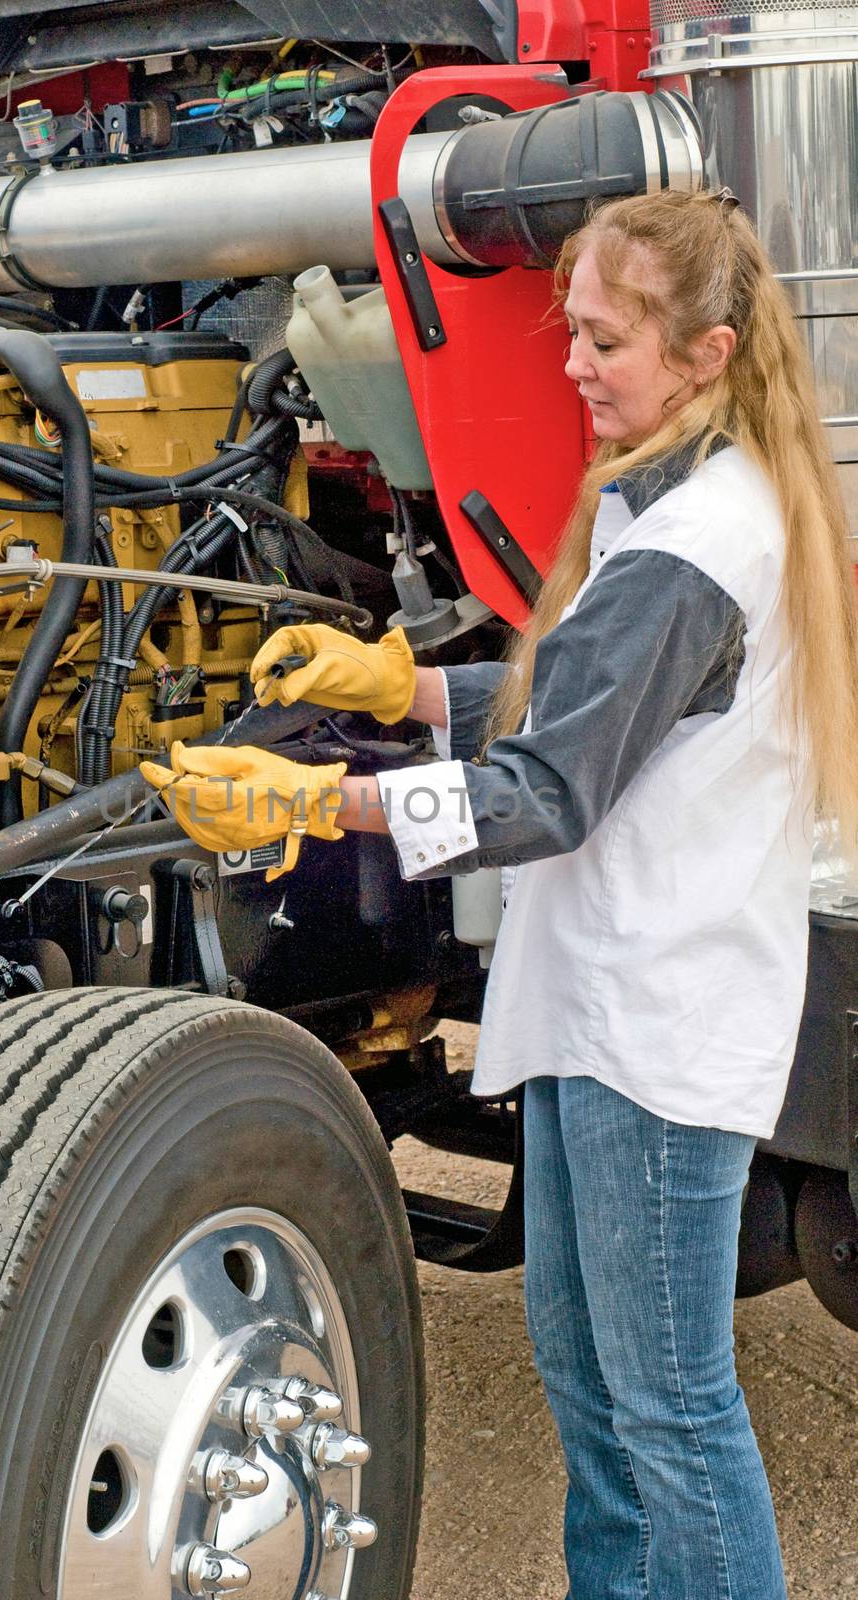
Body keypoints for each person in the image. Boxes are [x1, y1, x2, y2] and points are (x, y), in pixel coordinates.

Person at [140, 187, 858, 1599]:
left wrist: (320, 800)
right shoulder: (682, 499)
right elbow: (591, 704)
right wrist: (403, 685)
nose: (576, 364)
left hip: (655, 1032)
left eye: (608, 340)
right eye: (572, 332)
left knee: (670, 1412)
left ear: (708, 355)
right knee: (591, 1382)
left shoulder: (693, 546)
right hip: (613, 1010)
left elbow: (548, 790)